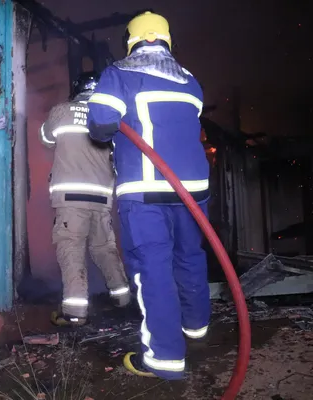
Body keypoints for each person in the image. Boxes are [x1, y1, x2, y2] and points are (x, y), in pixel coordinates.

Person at [86, 11, 211, 380]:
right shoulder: (190, 81)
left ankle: (164, 358)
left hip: (146, 191)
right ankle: (197, 327)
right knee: (190, 257)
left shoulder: (118, 74)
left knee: (152, 269)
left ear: (132, 41)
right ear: (167, 41)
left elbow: (99, 123)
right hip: (194, 192)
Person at [40, 71, 131, 327]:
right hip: (102, 199)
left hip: (71, 200)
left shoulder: (62, 111)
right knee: (105, 249)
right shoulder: (110, 117)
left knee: (71, 250)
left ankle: (75, 313)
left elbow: (46, 139)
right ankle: (123, 299)